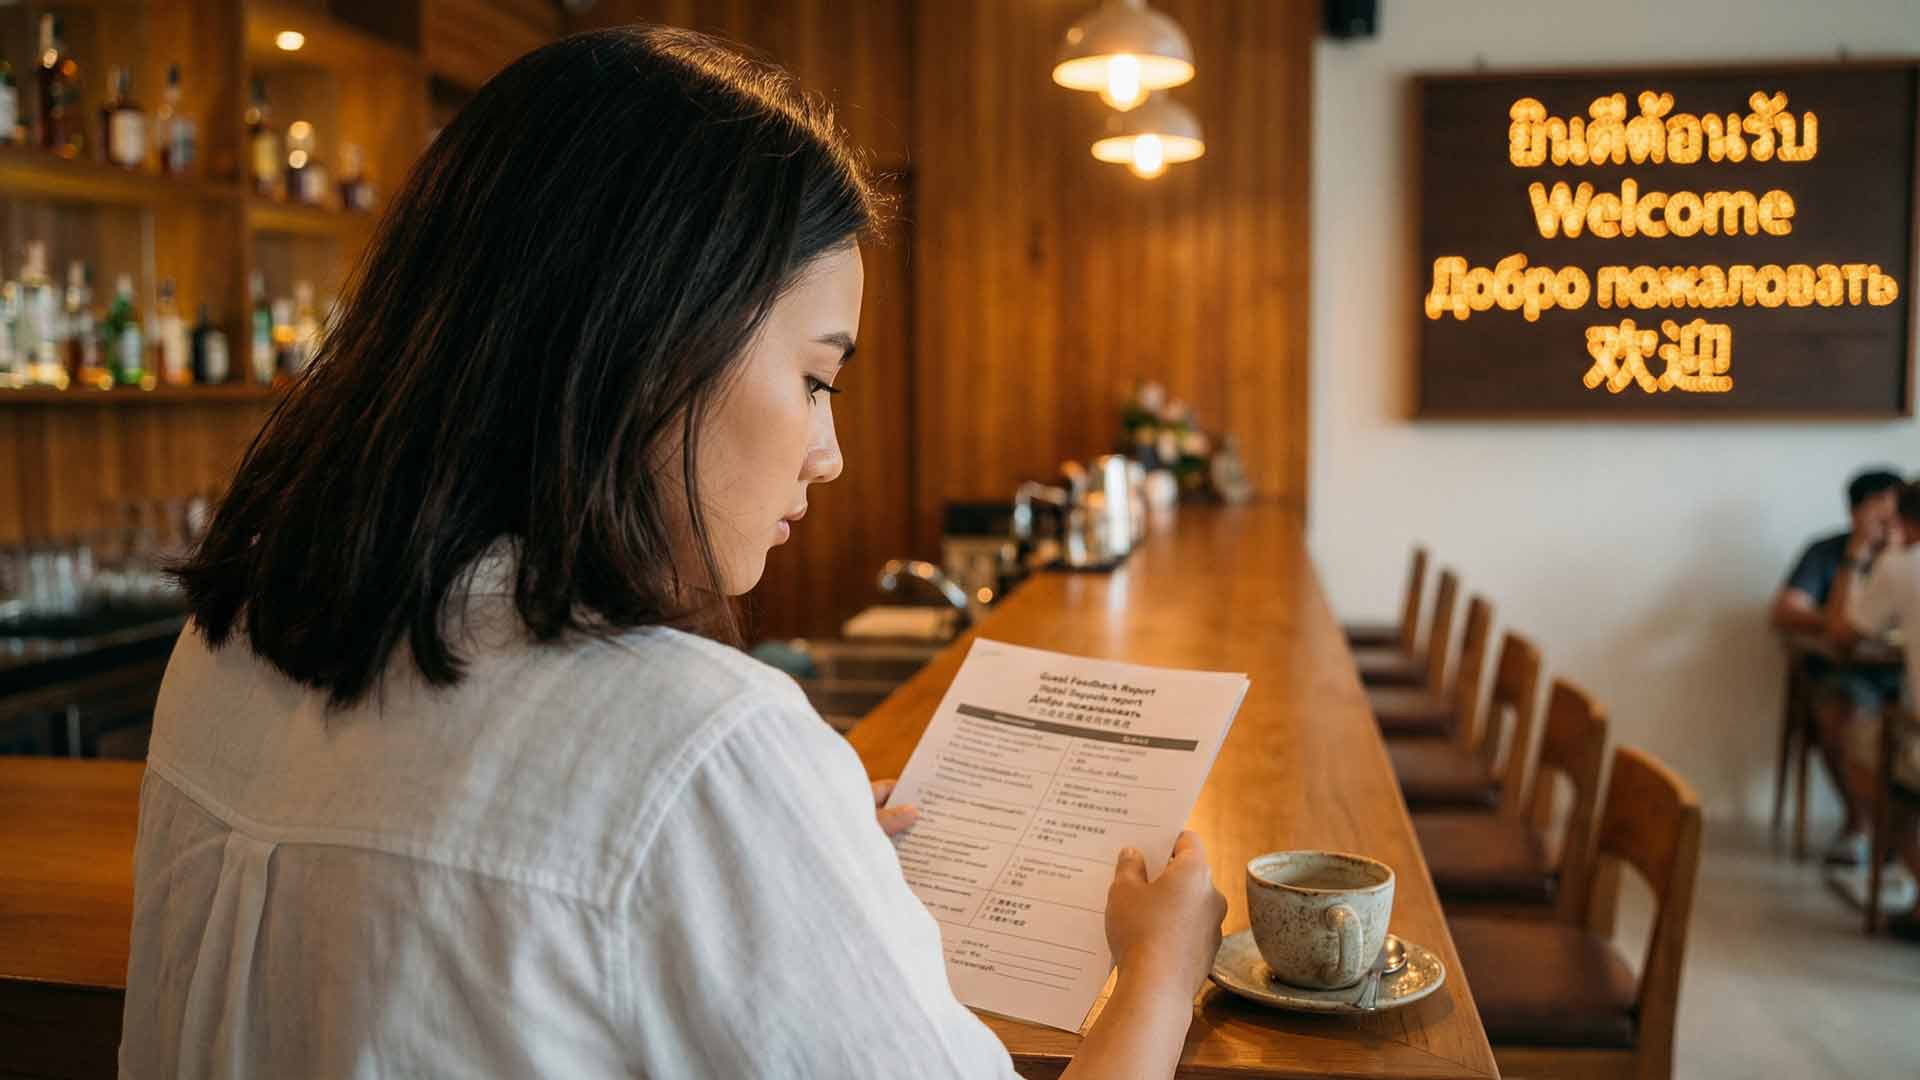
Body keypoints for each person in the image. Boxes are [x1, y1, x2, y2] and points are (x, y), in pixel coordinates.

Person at [120, 28, 1226, 1078]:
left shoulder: (230, 643)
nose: (827, 452)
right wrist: (1160, 975)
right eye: (814, 378)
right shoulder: (700, 749)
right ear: (650, 344)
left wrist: (780, 864)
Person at [1771, 467, 1904, 865]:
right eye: (1877, 515)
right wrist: (1853, 564)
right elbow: (1786, 610)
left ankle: (1897, 833)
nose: (1887, 525)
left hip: (1902, 674)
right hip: (1842, 674)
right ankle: (1859, 822)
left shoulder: (1906, 560)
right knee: (1837, 719)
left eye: (1894, 515)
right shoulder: (1828, 553)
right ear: (1855, 514)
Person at [1830, 480, 1920, 941]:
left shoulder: (1901, 565)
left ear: (1906, 523)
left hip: (1913, 729)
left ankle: (1882, 842)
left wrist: (1858, 554)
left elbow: (1844, 632)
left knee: (1861, 751)